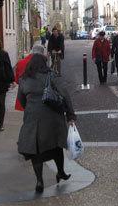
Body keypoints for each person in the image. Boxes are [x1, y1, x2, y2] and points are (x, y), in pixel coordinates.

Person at [17, 54, 76, 193]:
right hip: (52, 117)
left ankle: (39, 181)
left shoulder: (24, 79)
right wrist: (70, 114)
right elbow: (65, 94)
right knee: (56, 146)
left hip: (33, 118)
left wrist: (31, 108)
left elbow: (21, 99)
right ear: (45, 63)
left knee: (35, 151)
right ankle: (60, 172)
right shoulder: (52, 75)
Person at [14, 44, 47, 111]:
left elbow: (17, 81)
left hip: (23, 97)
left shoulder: (20, 62)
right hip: (39, 99)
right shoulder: (42, 63)